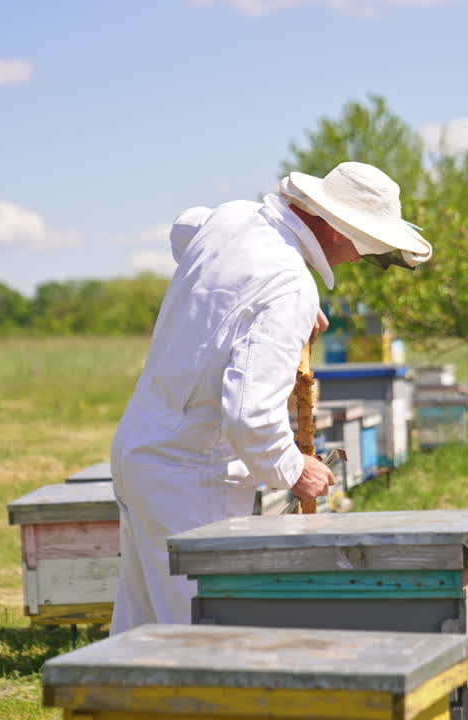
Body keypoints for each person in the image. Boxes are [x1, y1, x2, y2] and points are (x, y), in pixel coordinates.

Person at [109, 162, 432, 635]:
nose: (363, 257)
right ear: (339, 229)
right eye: (367, 245)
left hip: (140, 452)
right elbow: (249, 414)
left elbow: (186, 228)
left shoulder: (233, 219)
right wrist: (295, 469)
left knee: (142, 633)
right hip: (193, 477)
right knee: (202, 640)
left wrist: (271, 298)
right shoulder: (288, 284)